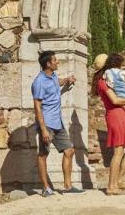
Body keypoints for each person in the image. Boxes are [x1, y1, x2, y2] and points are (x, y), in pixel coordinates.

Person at [32, 50, 84, 196]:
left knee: (69, 151)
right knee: (43, 155)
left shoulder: (53, 75)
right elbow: (37, 107)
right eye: (55, 60)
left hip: (58, 122)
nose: (58, 62)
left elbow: (56, 83)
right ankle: (46, 188)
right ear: (48, 64)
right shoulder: (39, 82)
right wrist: (43, 130)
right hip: (47, 124)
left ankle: (68, 187)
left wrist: (67, 80)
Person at [93, 54, 125, 195]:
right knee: (118, 152)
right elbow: (115, 101)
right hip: (115, 116)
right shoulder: (103, 82)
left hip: (121, 115)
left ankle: (117, 181)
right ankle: (111, 187)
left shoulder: (111, 76)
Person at [93, 53, 125, 136]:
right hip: (117, 115)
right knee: (120, 145)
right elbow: (115, 101)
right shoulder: (103, 82)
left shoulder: (108, 76)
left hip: (119, 114)